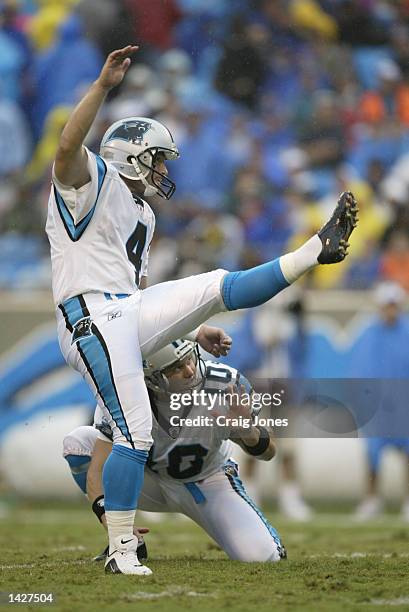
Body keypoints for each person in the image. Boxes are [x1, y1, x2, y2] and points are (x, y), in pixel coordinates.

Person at [46, 45, 358, 575]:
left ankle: (314, 251)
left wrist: (195, 326)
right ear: (134, 156)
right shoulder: (90, 182)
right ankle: (122, 549)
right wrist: (102, 87)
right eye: (159, 158)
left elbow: (140, 294)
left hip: (123, 313)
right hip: (90, 315)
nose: (165, 169)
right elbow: (67, 145)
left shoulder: (142, 215)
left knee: (214, 288)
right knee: (133, 431)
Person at [63, 339, 286, 562]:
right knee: (78, 444)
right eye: (176, 367)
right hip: (149, 481)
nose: (190, 371)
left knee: (265, 557)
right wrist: (114, 526)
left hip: (209, 482)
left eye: (188, 359)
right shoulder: (125, 397)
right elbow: (97, 470)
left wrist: (247, 432)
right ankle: (129, 543)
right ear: (152, 376)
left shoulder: (223, 385)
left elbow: (268, 453)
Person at [351, 282, 409, 521]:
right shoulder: (369, 333)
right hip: (378, 407)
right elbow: (360, 368)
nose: (390, 311)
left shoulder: (407, 331)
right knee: (372, 453)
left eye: (394, 306)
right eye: (387, 306)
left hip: (404, 404)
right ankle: (371, 499)